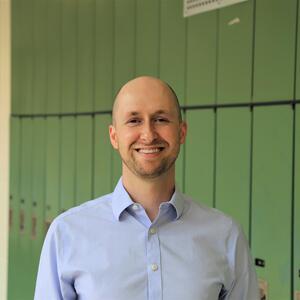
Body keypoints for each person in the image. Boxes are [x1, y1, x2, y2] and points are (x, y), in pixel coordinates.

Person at [34, 76, 259, 299]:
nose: (149, 135)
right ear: (114, 136)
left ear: (182, 132)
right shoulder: (67, 233)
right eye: (134, 121)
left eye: (161, 119)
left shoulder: (226, 236)